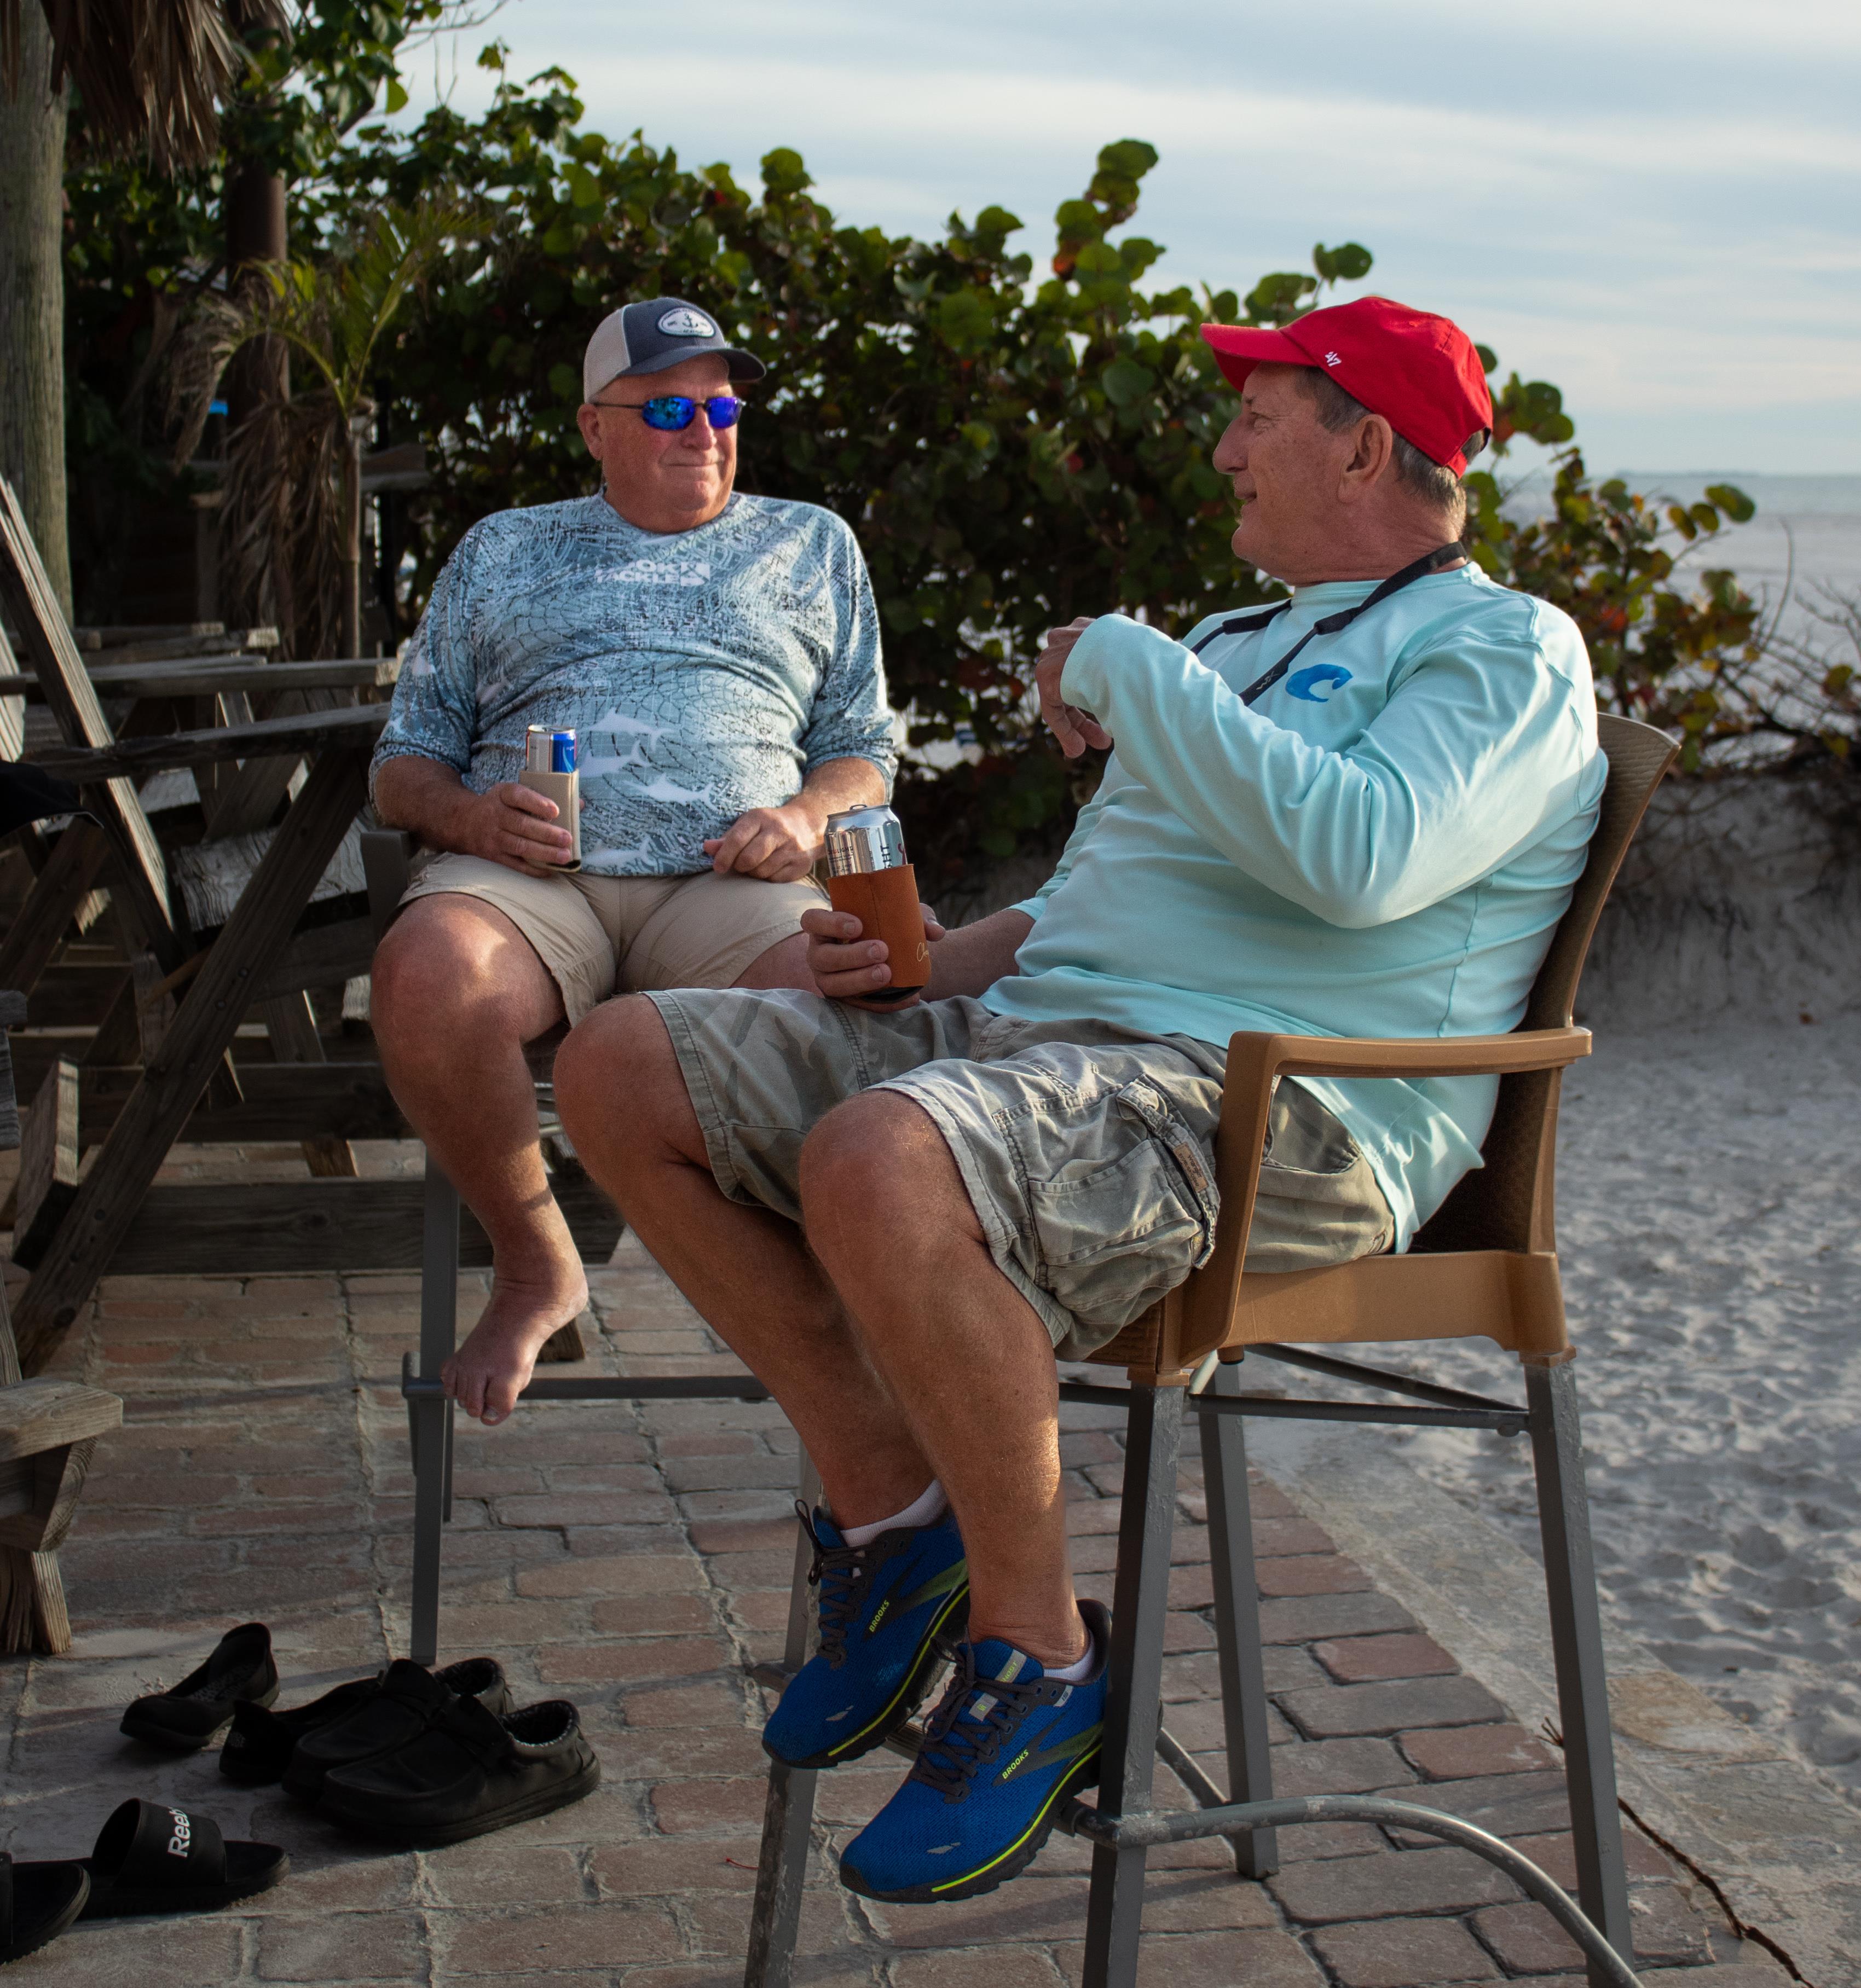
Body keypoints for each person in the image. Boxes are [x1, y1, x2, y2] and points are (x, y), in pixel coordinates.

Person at [552, 295, 1607, 1904]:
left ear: (1367, 443)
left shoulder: (1503, 649)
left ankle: (1038, 1660)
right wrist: (910, 965)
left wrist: (1129, 658)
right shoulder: (1252, 642)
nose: (1224, 449)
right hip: (1045, 1048)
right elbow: (1099, 910)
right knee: (623, 1061)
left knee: (882, 1161)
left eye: (1257, 417)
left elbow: (1365, 858)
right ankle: (898, 1516)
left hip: (1271, 1107)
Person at [368, 296, 895, 1425]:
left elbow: (862, 750)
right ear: (594, 426)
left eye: (719, 402)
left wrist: (806, 814)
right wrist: (470, 820)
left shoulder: (810, 544)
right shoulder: (506, 547)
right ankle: (533, 1259)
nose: (703, 426)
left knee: (839, 1006)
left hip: (729, 884)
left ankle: (803, 1313)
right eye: (667, 405)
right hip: (534, 879)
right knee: (424, 972)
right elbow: (402, 766)